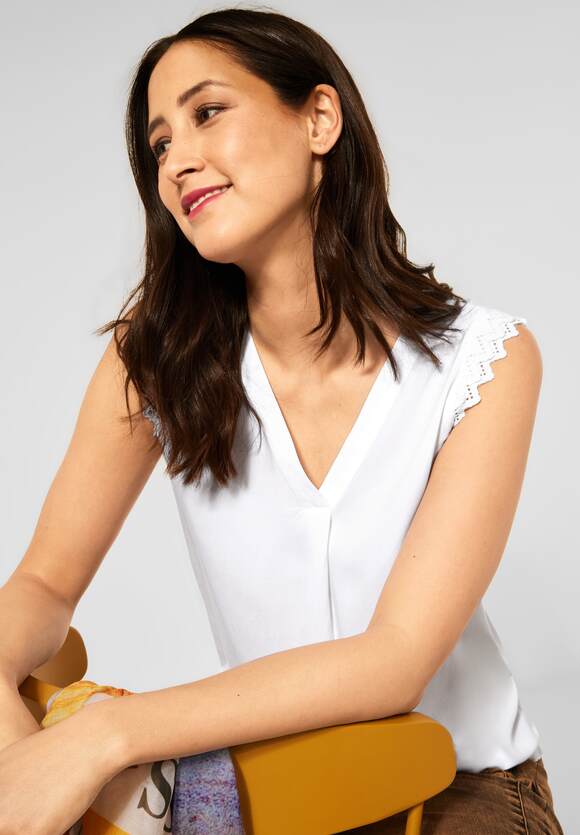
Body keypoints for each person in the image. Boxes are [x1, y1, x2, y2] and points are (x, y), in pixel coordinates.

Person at [0, 7, 565, 834]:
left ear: (319, 120)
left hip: (455, 794)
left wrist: (103, 737)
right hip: (276, 798)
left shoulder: (486, 362)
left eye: (207, 112)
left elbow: (393, 662)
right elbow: (44, 585)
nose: (176, 161)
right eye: (159, 144)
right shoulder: (153, 359)